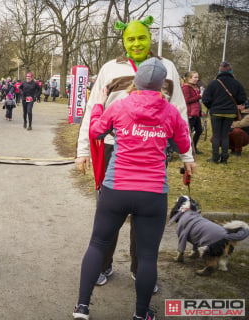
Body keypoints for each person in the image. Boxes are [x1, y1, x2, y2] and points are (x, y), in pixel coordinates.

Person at [75, 16, 196, 299]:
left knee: (144, 214)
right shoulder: (109, 68)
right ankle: (102, 266)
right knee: (108, 213)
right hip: (111, 147)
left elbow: (179, 112)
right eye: (130, 39)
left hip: (154, 149)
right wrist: (82, 150)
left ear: (149, 38)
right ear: (123, 41)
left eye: (141, 37)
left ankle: (140, 269)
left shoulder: (168, 68)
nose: (136, 43)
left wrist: (187, 154)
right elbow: (94, 107)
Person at [202, 61, 247, 164]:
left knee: (216, 135)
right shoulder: (237, 83)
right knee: (225, 135)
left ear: (219, 71)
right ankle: (224, 159)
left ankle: (215, 158)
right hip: (230, 113)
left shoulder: (213, 83)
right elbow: (242, 99)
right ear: (231, 71)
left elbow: (205, 99)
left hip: (216, 112)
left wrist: (212, 107)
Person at [182, 71, 204, 154]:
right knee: (188, 132)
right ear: (189, 78)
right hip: (190, 113)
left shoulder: (193, 87)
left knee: (199, 130)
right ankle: (186, 149)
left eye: (197, 77)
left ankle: (193, 147)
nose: (197, 79)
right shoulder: (186, 88)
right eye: (195, 77)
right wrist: (199, 96)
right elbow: (186, 100)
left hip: (196, 113)